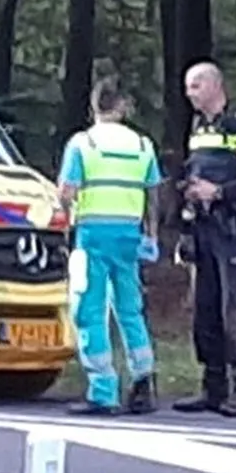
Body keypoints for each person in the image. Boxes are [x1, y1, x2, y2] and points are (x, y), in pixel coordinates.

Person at [55, 77, 163, 416]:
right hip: (129, 237)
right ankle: (144, 381)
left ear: (93, 105)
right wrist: (152, 234)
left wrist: (60, 215)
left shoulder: (83, 143)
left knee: (88, 310)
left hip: (91, 237)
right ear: (122, 107)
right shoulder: (143, 145)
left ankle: (103, 389)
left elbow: (67, 192)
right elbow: (153, 193)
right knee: (130, 310)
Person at [175, 60, 236, 417]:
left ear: (215, 86)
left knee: (234, 310)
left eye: (196, 85)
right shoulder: (199, 126)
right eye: (188, 87)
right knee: (205, 310)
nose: (189, 94)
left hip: (232, 229)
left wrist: (219, 192)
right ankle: (212, 387)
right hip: (202, 228)